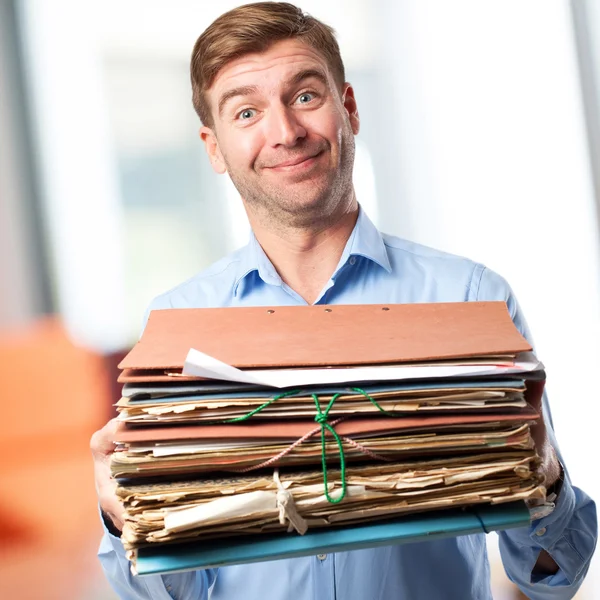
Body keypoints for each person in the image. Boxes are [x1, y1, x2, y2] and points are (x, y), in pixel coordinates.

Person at [91, 3, 597, 599]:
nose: (284, 132)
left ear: (349, 107)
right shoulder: (175, 329)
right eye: (247, 111)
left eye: (304, 96)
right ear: (214, 147)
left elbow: (549, 579)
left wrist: (544, 481)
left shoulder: (470, 299)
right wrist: (129, 517)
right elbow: (162, 595)